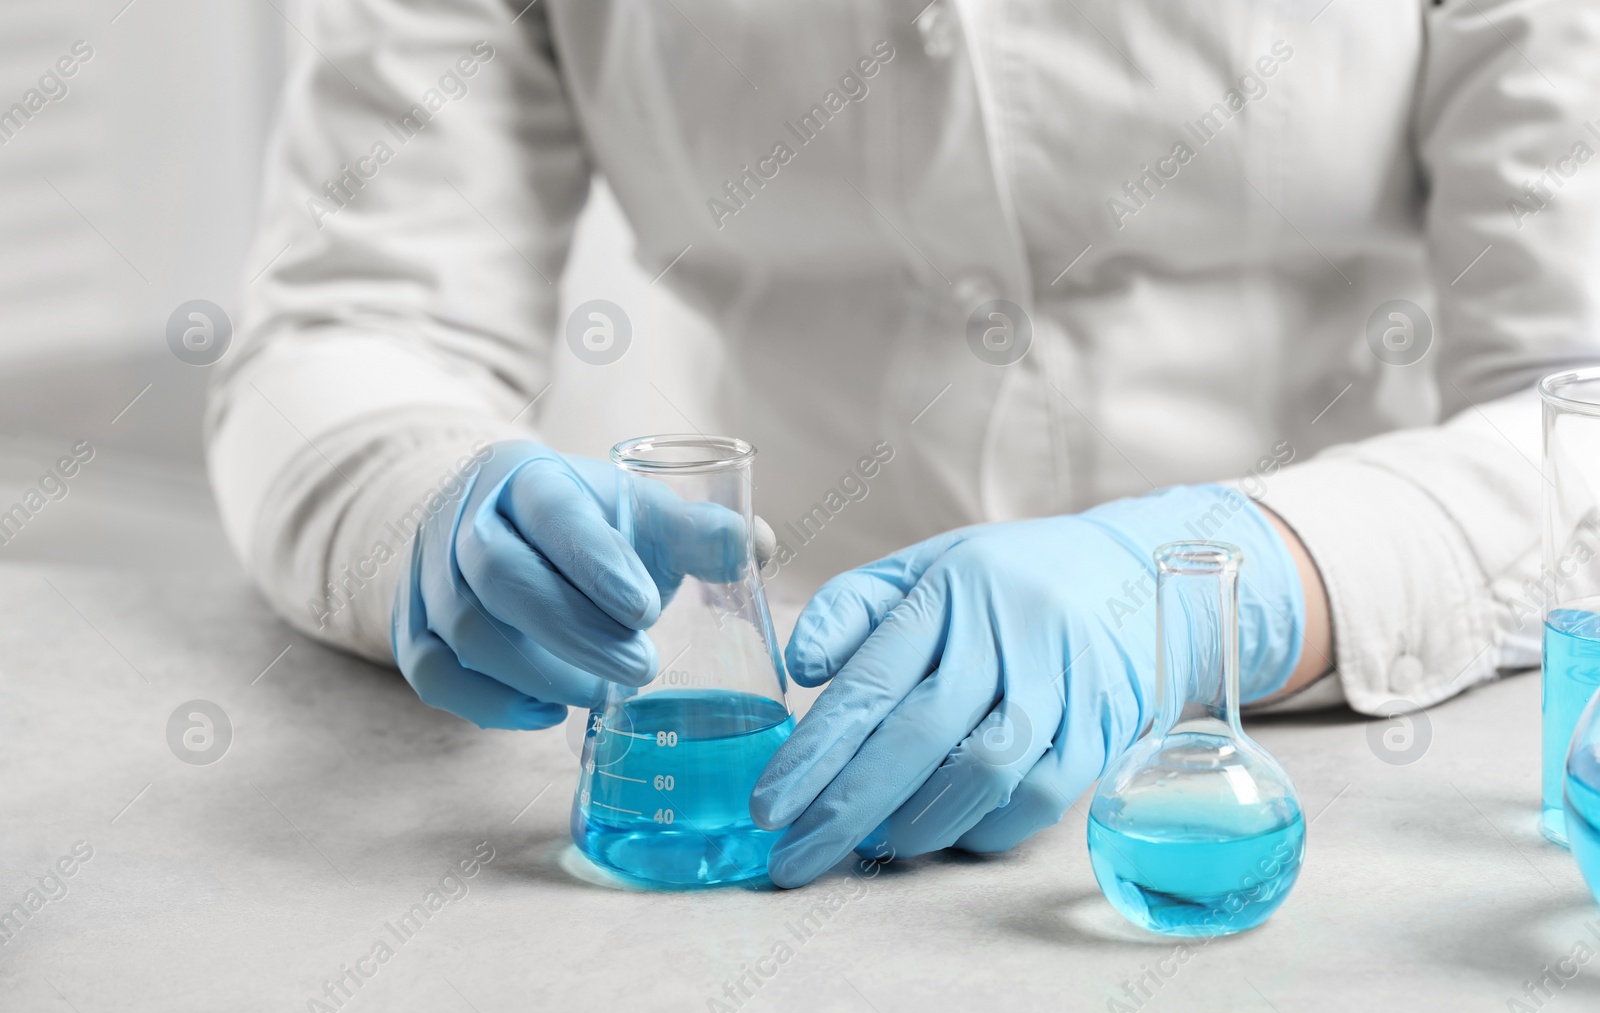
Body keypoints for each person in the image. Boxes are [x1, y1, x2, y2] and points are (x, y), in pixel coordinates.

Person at [207, 1, 1600, 888]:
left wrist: (1220, 588)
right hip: (799, 777)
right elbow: (351, 317)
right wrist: (418, 508)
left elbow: (1582, 406)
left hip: (1366, 741)